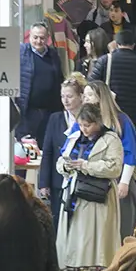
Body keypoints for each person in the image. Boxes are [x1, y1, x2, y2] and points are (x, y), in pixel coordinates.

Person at [55, 103, 123, 267]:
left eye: (88, 125)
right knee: (74, 238)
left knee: (95, 240)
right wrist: (65, 166)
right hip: (74, 195)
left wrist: (86, 166)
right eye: (81, 125)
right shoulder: (75, 137)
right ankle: (72, 270)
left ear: (98, 122)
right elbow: (61, 159)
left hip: (98, 197)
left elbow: (114, 168)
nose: (84, 129)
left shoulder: (111, 139)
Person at [80, 82, 136, 240]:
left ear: (101, 97)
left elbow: (131, 152)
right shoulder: (83, 121)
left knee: (122, 228)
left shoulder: (121, 120)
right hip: (93, 181)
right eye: (84, 95)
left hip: (118, 180)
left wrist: (124, 182)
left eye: (90, 95)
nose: (86, 99)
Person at [87, 30, 136, 136]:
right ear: (133, 45)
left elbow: (91, 84)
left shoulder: (105, 60)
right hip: (135, 114)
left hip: (111, 112)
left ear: (116, 43)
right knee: (132, 146)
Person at [39, 77, 84, 235]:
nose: (65, 100)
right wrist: (43, 182)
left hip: (82, 181)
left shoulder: (89, 119)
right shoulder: (55, 118)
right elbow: (48, 150)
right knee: (58, 223)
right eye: (63, 96)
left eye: (70, 96)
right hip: (58, 180)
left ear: (81, 96)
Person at [17, 23, 63, 152]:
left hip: (49, 113)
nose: (38, 41)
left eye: (42, 38)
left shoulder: (53, 55)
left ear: (47, 37)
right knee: (24, 151)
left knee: (47, 150)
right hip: (27, 112)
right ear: (29, 36)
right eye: (35, 37)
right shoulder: (21, 53)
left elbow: (60, 79)